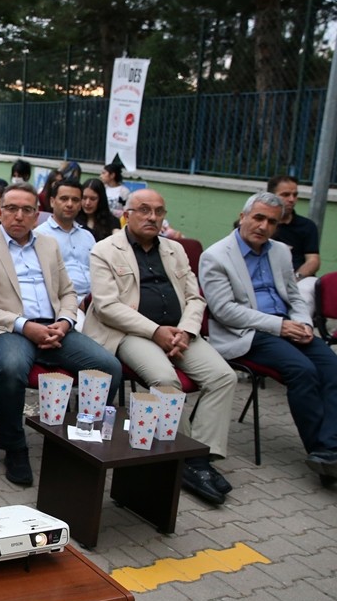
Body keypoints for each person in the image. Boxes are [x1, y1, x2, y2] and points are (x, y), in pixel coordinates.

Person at [200, 192, 337, 484]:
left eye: (272, 222)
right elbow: (225, 311)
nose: (264, 226)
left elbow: (294, 295)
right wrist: (280, 326)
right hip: (248, 334)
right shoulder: (215, 256)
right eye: (258, 218)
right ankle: (324, 452)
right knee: (302, 371)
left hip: (289, 327)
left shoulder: (280, 251)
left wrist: (303, 323)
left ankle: (335, 450)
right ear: (243, 217)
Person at [84, 189, 236, 506]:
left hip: (179, 331)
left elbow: (195, 298)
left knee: (223, 377)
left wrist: (186, 331)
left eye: (159, 211)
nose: (152, 217)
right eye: (144, 210)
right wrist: (156, 331)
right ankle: (187, 459)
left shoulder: (176, 250)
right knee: (165, 382)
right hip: (129, 332)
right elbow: (107, 307)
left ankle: (197, 458)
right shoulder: (105, 250)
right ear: (127, 213)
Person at [0, 185, 121, 485]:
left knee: (108, 368)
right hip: (8, 329)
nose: (19, 216)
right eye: (11, 209)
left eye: (27, 210)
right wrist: (24, 326)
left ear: (37, 215)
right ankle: (15, 447)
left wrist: (64, 321)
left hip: (53, 327)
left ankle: (81, 439)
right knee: (10, 369)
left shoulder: (48, 245)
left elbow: (68, 292)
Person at [267, 174, 321, 314]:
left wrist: (295, 279)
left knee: (305, 292)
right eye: (285, 195)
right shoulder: (261, 224)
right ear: (271, 196)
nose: (291, 199)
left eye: (295, 195)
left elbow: (313, 260)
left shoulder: (307, 226)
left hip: (298, 279)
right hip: (266, 277)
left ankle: (300, 329)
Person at [34, 178, 96, 297]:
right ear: (52, 202)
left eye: (75, 200)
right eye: (64, 199)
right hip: (64, 302)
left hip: (95, 299)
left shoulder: (87, 236)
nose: (69, 204)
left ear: (80, 205)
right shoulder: (40, 236)